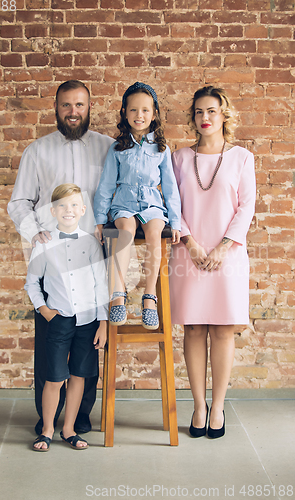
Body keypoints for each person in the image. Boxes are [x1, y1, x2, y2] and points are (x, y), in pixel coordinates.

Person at [7, 80, 114, 435]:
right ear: (56, 108)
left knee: (85, 350)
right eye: (66, 105)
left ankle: (80, 417)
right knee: (50, 345)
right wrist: (34, 234)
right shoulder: (37, 151)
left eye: (79, 105)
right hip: (52, 265)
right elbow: (19, 201)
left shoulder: (108, 149)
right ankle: (48, 419)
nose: (73, 112)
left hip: (92, 262)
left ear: (89, 107)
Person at [169, 86, 256, 438]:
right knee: (193, 327)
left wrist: (222, 248)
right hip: (188, 253)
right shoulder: (178, 158)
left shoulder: (241, 158)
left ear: (224, 115)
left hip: (228, 256)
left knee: (222, 329)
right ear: (193, 117)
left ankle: (218, 406)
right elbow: (172, 206)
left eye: (212, 111)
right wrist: (190, 243)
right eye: (199, 112)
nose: (205, 118)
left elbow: (246, 207)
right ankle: (199, 405)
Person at [25, 184, 108, 451]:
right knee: (55, 377)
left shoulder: (91, 243)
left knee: (79, 376)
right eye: (62, 206)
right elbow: (32, 283)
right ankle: (47, 429)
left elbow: (101, 285)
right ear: (53, 211)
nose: (68, 210)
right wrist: (45, 310)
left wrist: (103, 323)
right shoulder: (45, 244)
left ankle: (69, 429)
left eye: (74, 205)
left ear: (83, 210)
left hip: (87, 321)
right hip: (59, 321)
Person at [94, 82, 181, 330]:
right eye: (133, 110)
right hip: (124, 203)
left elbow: (171, 186)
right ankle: (119, 293)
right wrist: (100, 220)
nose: (139, 115)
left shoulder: (161, 148)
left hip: (152, 205)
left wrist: (175, 221)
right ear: (125, 112)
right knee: (125, 231)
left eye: (145, 110)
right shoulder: (117, 148)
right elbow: (106, 185)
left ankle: (149, 296)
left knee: (154, 233)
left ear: (154, 114)